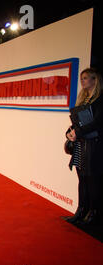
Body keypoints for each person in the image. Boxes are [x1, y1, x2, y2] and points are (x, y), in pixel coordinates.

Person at [66, 68, 103, 226]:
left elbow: (96, 123)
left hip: (94, 146)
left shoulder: (100, 100)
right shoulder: (82, 100)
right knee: (82, 179)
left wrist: (78, 131)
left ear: (95, 80)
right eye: (82, 78)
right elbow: (76, 122)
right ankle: (81, 210)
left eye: (86, 78)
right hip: (81, 144)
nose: (83, 81)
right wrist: (69, 132)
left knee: (92, 180)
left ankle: (93, 213)